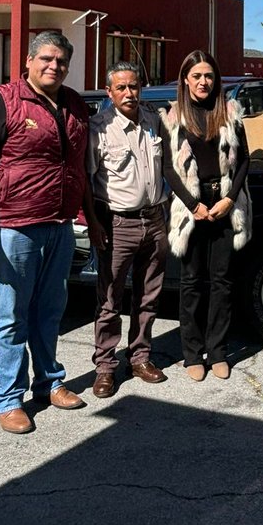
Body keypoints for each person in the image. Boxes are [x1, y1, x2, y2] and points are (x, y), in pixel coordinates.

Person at [0, 31, 90, 434]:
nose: (54, 66)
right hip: (14, 227)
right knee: (10, 315)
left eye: (62, 61)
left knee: (49, 312)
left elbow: (80, 166)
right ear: (29, 61)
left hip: (59, 226)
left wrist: (86, 216)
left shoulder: (74, 105)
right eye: (47, 59)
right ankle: (7, 397)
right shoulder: (3, 100)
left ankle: (49, 383)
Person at [86, 62, 182, 398]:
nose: (130, 93)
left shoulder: (153, 121)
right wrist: (94, 223)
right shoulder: (98, 127)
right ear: (109, 92)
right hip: (117, 224)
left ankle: (140, 358)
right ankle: (105, 368)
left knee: (149, 296)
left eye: (134, 87)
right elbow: (87, 180)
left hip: (154, 220)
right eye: (122, 88)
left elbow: (170, 165)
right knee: (110, 300)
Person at [163, 50, 251, 381]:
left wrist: (229, 200)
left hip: (225, 207)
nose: (203, 81)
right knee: (191, 284)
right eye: (197, 76)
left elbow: (243, 161)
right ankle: (191, 354)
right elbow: (168, 168)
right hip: (191, 209)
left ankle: (217, 351)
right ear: (185, 79)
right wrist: (192, 204)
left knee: (223, 282)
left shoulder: (230, 113)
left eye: (209, 76)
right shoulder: (172, 117)